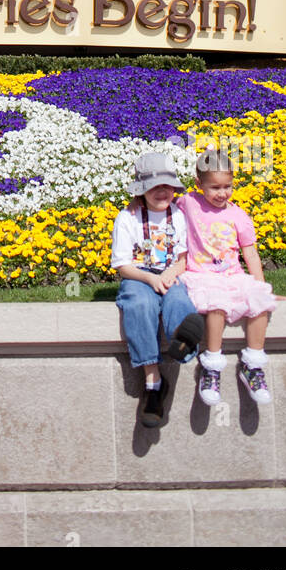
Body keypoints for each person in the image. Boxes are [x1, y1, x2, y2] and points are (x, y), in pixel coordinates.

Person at [111, 151, 204, 428]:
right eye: (154, 187)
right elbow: (122, 265)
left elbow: (185, 257)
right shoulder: (127, 218)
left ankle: (183, 342)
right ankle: (153, 382)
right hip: (139, 277)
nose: (161, 192)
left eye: (167, 186)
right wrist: (151, 280)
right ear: (141, 190)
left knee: (177, 300)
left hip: (171, 273)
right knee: (140, 306)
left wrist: (169, 274)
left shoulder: (179, 215)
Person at [179, 148, 278, 406]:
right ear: (199, 184)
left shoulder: (238, 215)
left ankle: (253, 365)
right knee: (216, 304)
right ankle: (212, 367)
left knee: (259, 301)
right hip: (202, 275)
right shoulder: (189, 203)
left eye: (228, 186)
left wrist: (261, 285)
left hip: (233, 275)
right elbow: (160, 194)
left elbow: (251, 254)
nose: (222, 193)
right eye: (215, 188)